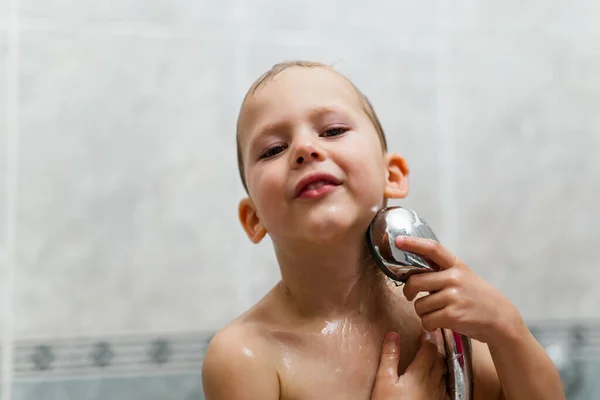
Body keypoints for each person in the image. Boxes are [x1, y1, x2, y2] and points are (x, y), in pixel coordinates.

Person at [201, 61, 565, 399]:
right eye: (273, 149)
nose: (305, 149)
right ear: (254, 219)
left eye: (333, 130)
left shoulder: (443, 319)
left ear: (392, 176)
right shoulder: (245, 356)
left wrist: (508, 330)